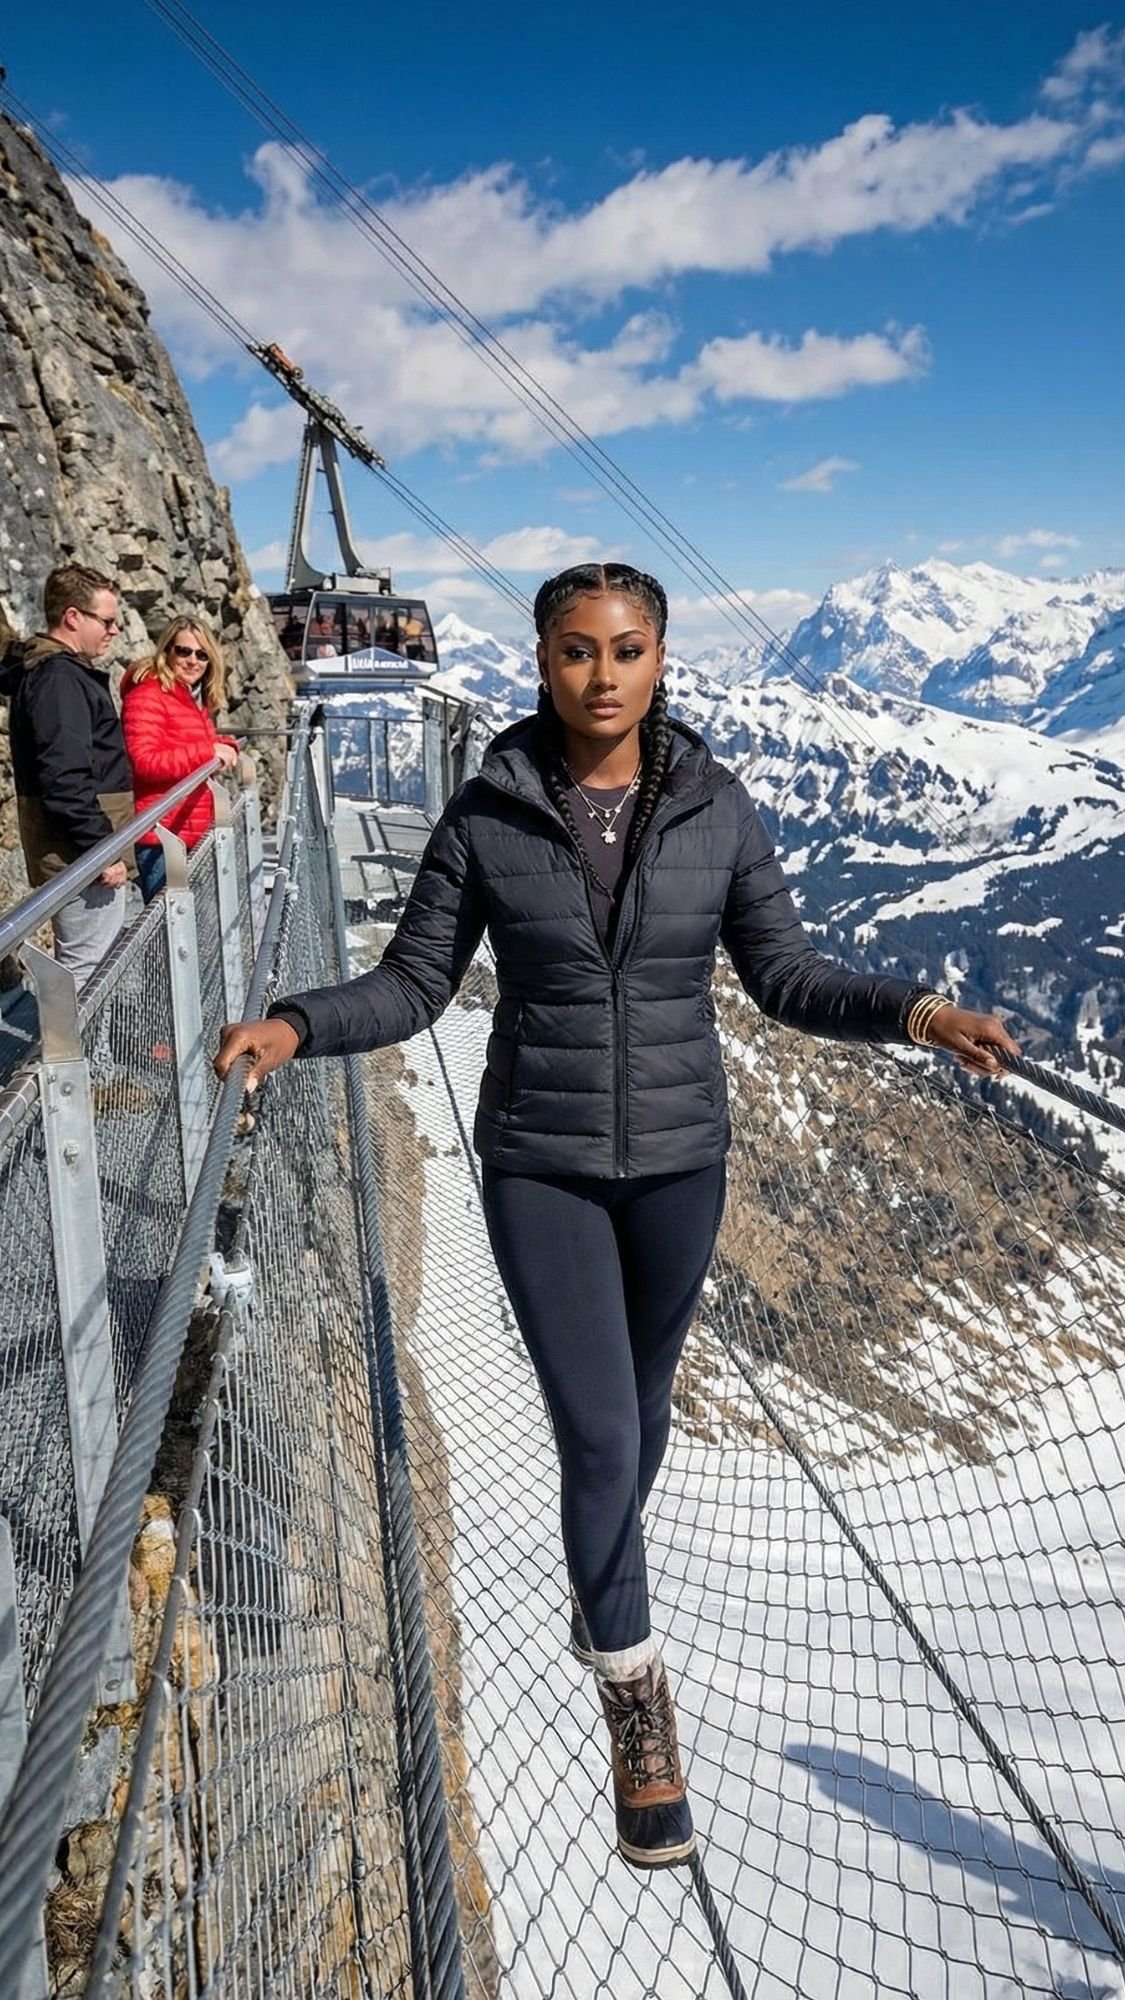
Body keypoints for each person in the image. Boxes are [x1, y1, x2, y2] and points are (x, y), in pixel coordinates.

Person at [215, 561, 1019, 1871]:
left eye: (628, 650)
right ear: (541, 661)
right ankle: (635, 1699)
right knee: (598, 1439)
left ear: (660, 661)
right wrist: (300, 1022)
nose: (602, 674)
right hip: (541, 1164)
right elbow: (417, 983)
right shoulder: (484, 814)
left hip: (681, 1170)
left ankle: (604, 1592)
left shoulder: (716, 808)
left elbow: (785, 975)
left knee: (637, 1428)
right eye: (578, 650)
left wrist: (916, 1013)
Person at [0, 563, 134, 987]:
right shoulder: (59, 679)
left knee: (94, 965)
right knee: (88, 972)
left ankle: (84, 1050)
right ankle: (75, 1054)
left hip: (80, 849)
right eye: (107, 621)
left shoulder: (56, 673)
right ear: (74, 617)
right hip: (80, 854)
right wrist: (102, 848)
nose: (114, 631)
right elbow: (65, 777)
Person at [121, 617, 241, 903]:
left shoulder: (187, 698)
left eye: (202, 655)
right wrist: (208, 753)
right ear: (166, 651)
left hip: (186, 833)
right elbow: (145, 762)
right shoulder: (147, 696)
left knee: (190, 932)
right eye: (183, 651)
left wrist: (222, 745)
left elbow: (191, 743)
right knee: (173, 936)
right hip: (164, 839)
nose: (192, 661)